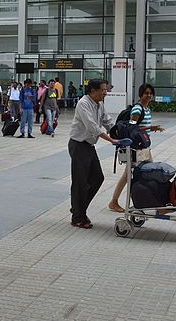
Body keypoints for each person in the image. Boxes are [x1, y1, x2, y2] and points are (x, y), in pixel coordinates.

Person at [108, 83, 165, 213]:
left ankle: (155, 205)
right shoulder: (137, 109)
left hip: (144, 146)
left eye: (150, 93)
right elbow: (132, 127)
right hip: (136, 148)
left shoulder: (146, 109)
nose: (149, 95)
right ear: (140, 95)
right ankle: (115, 202)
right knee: (139, 174)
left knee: (146, 172)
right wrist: (151, 128)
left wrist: (150, 129)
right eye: (146, 93)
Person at [69, 79, 117, 229]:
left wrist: (119, 132)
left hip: (89, 146)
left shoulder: (99, 104)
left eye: (105, 90)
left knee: (97, 178)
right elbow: (93, 127)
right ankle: (78, 216)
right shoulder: (83, 104)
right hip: (78, 145)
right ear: (93, 91)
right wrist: (112, 140)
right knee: (80, 183)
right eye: (103, 90)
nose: (105, 93)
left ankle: (78, 208)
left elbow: (107, 121)